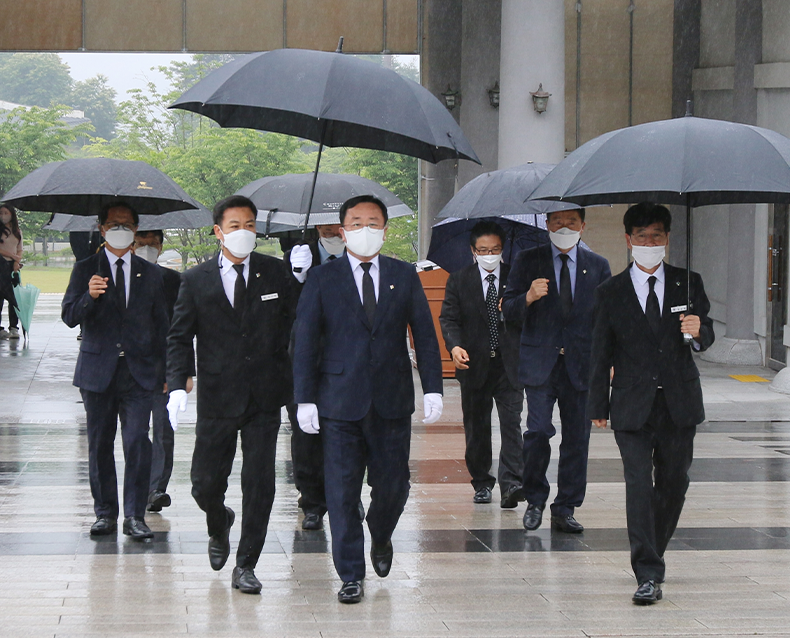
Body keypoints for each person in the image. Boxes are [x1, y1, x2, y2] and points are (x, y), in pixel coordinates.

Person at [293, 195, 443, 604]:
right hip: (338, 401)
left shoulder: (403, 274)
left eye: (372, 222)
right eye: (355, 223)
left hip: (392, 400)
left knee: (393, 487)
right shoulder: (323, 279)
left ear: (384, 229)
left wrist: (432, 387)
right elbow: (304, 341)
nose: (364, 229)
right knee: (341, 491)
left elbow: (424, 335)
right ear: (341, 231)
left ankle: (380, 532)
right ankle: (350, 574)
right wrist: (304, 398)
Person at [166, 195, 296, 595]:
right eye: (236, 225)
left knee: (260, 483)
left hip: (264, 396)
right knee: (204, 482)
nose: (244, 232)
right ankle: (219, 521)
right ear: (218, 231)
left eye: (251, 225)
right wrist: (176, 382)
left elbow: (301, 325)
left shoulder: (277, 273)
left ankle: (246, 564)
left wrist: (305, 281)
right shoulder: (195, 279)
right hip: (218, 396)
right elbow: (179, 336)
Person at [587, 202, 714, 605]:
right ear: (628, 241)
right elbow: (599, 353)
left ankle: (653, 549)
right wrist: (598, 406)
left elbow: (706, 331)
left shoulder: (688, 283)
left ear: (667, 240)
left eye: (656, 236)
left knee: (675, 482)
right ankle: (647, 571)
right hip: (632, 405)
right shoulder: (610, 292)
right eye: (641, 237)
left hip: (679, 402)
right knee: (639, 484)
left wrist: (698, 332)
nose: (649, 243)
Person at [61, 201, 169, 541]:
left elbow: (164, 326)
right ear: (102, 228)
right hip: (97, 371)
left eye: (126, 223)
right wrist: (88, 297)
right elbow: (68, 316)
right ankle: (105, 513)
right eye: (113, 223)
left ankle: (135, 516)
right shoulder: (85, 268)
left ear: (135, 230)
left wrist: (171, 372)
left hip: (140, 373)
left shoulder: (151, 273)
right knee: (99, 444)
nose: (119, 228)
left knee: (137, 441)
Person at [502, 208, 611, 534]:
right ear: (547, 224)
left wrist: (610, 362)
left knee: (578, 439)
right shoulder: (528, 260)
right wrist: (529, 297)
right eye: (558, 222)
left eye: (571, 223)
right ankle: (535, 499)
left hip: (581, 364)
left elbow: (607, 320)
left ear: (582, 226)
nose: (564, 228)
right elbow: (508, 310)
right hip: (541, 365)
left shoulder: (598, 265)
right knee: (537, 432)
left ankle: (565, 507)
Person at [439, 220, 525, 508]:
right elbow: (448, 318)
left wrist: (515, 307)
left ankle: (512, 482)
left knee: (511, 423)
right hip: (473, 364)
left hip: (508, 363)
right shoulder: (459, 279)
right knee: (477, 425)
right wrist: (455, 346)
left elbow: (530, 319)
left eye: (495, 249)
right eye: (483, 250)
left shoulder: (516, 279)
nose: (490, 255)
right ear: (473, 251)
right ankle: (482, 482)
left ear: (503, 249)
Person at [285, 223, 345, 530]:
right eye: (328, 224)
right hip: (304, 362)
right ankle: (311, 501)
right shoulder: (296, 258)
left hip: (348, 362)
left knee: (346, 434)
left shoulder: (361, 258)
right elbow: (284, 307)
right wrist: (298, 276)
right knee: (305, 435)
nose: (334, 230)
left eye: (340, 224)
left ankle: (346, 496)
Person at [132, 229, 191, 513]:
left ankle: (156, 488)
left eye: (152, 244)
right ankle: (139, 485)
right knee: (135, 432)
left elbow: (183, 329)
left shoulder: (172, 281)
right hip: (128, 369)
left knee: (164, 430)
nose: (147, 249)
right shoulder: (113, 278)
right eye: (141, 244)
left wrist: (182, 371)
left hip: (162, 368)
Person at [0, 204, 23, 340]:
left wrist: (16, 261)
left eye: (5, 213)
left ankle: (14, 327)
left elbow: (19, 249)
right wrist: (12, 256)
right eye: (1, 213)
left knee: (14, 297)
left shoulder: (17, 231)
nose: (3, 216)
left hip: (11, 266)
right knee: (1, 296)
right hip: (1, 264)